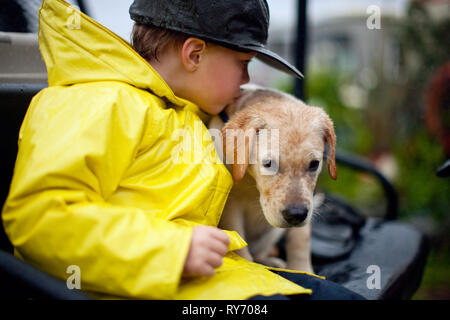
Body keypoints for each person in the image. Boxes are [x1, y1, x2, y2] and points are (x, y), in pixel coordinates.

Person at [2, 0, 363, 300]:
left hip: (230, 281)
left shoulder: (189, 113)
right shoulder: (96, 102)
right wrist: (172, 251)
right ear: (194, 54)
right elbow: (39, 217)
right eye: (243, 65)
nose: (245, 81)